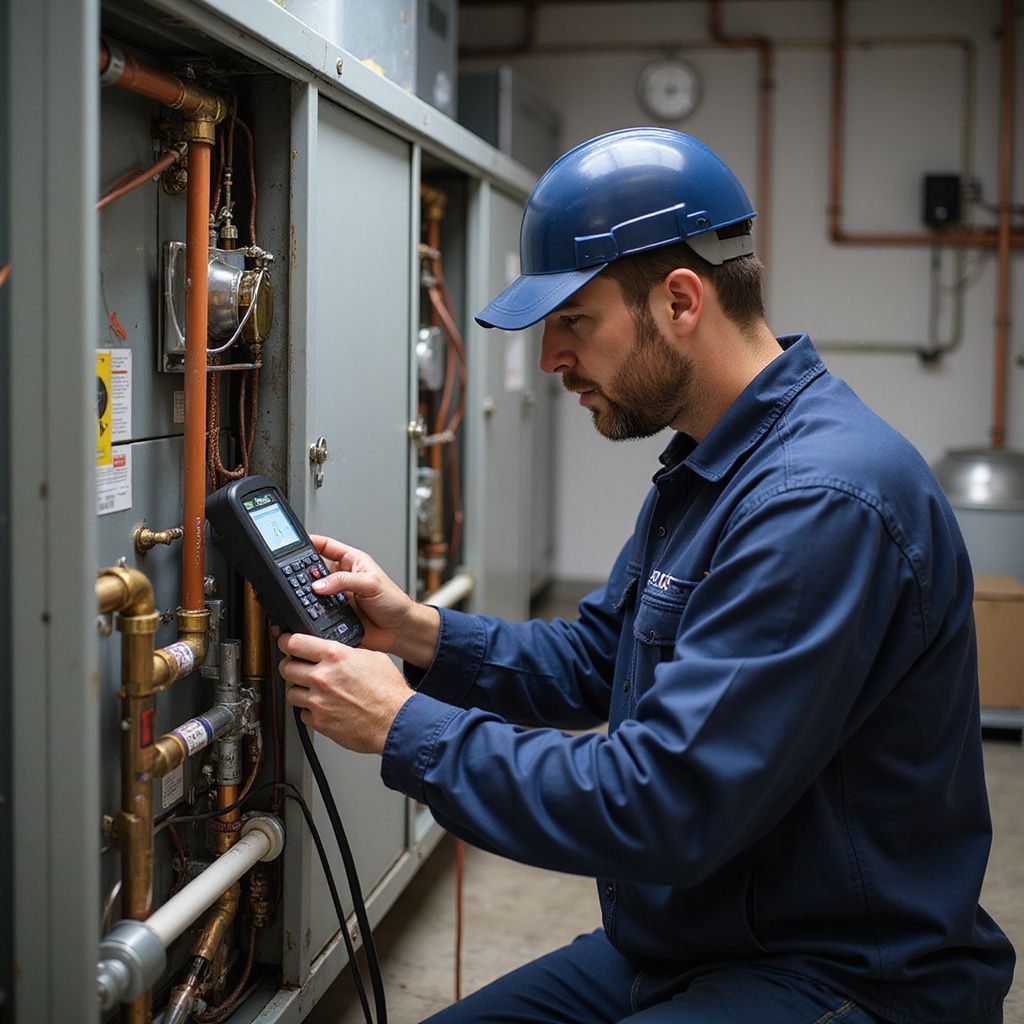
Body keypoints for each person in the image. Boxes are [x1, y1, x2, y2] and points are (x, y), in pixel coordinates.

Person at [278, 128, 1014, 1023]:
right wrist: (417, 631)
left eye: (574, 322)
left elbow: (662, 802)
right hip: (688, 940)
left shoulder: (821, 501)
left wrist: (404, 725)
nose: (550, 360)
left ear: (679, 300)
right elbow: (603, 655)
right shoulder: (713, 465)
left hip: (842, 974)